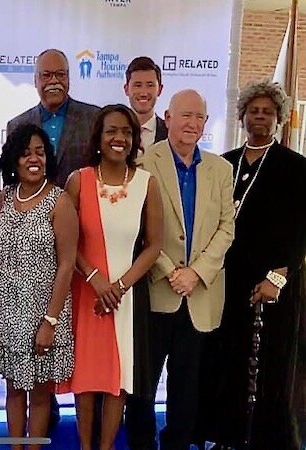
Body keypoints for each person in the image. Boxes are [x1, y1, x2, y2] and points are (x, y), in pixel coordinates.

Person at [195, 81, 306, 450]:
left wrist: (277, 277)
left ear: (278, 119)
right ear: (242, 116)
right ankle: (225, 436)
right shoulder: (223, 163)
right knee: (225, 358)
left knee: (267, 367)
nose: (260, 116)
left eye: (268, 112)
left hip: (272, 283)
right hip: (227, 279)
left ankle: (263, 441)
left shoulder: (296, 168)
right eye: (253, 111)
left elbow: (301, 232)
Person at [124, 89, 234, 450]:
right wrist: (171, 271)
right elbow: (138, 227)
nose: (192, 123)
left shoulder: (221, 168)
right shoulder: (144, 162)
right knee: (142, 390)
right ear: (167, 118)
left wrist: (196, 273)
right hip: (157, 293)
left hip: (199, 298)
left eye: (199, 117)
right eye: (185, 115)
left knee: (187, 391)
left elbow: (225, 229)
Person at [61, 105, 163, 450]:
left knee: (117, 378)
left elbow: (153, 246)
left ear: (134, 139)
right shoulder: (79, 180)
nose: (119, 138)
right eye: (111, 131)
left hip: (124, 296)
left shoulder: (147, 183)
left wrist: (119, 286)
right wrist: (94, 279)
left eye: (127, 132)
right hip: (87, 292)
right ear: (99, 138)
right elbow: (66, 240)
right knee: (87, 379)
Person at [0, 124, 78, 450]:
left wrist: (50, 322)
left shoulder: (59, 201)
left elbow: (67, 264)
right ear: (14, 159)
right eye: (25, 153)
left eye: (39, 151)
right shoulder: (5, 197)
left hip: (43, 316)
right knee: (12, 390)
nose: (33, 159)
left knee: (39, 395)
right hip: (8, 312)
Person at [7, 48, 100, 188]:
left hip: (82, 208)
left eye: (60, 74)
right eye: (46, 75)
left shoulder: (94, 118)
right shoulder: (17, 126)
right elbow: (12, 181)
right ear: (35, 80)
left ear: (68, 78)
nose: (54, 80)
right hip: (32, 208)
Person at [123, 56, 167, 151]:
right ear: (126, 89)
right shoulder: (111, 132)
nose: (143, 93)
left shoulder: (170, 133)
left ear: (160, 89)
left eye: (150, 85)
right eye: (137, 85)